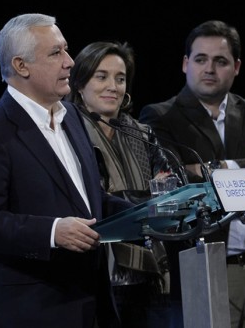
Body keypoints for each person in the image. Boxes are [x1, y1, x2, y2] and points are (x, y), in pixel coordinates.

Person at [0, 13, 134, 328]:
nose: (69, 62)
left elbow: (86, 202)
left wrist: (142, 213)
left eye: (66, 50)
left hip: (90, 305)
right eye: (56, 53)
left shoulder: (73, 118)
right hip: (29, 311)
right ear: (21, 66)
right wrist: (52, 232)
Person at [139, 19, 245, 327]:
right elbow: (174, 178)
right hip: (203, 262)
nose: (209, 68)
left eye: (220, 61)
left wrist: (221, 167)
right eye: (200, 59)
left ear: (236, 67)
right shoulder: (161, 116)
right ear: (186, 63)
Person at [64, 40, 184, 328]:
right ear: (79, 83)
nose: (113, 87)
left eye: (120, 78)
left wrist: (134, 196)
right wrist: (147, 195)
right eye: (101, 76)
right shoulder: (67, 133)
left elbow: (172, 188)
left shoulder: (141, 133)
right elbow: (93, 198)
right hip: (99, 274)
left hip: (151, 272)